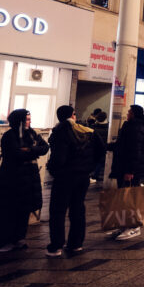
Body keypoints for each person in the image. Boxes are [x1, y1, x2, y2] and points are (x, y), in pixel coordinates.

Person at [0, 109, 49, 252]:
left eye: (29, 118)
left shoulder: (32, 133)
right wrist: (33, 151)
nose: (29, 121)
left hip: (28, 178)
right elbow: (16, 153)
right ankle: (3, 241)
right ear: (19, 121)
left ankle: (18, 238)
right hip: (12, 178)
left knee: (23, 209)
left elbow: (44, 147)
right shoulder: (10, 136)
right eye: (27, 119)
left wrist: (28, 150)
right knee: (9, 210)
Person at [46, 105, 100, 257]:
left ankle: (56, 246)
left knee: (57, 211)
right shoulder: (87, 130)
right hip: (82, 176)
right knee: (78, 209)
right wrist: (88, 167)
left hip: (64, 176)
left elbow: (59, 158)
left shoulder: (59, 131)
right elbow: (100, 150)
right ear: (73, 115)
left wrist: (53, 169)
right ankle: (76, 244)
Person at [107, 105, 144, 241]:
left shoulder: (136, 128)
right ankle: (123, 225)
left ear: (134, 114)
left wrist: (130, 170)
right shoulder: (131, 126)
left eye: (129, 112)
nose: (127, 113)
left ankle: (133, 227)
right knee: (124, 197)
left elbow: (135, 151)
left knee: (130, 197)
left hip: (130, 169)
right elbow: (123, 146)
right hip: (125, 166)